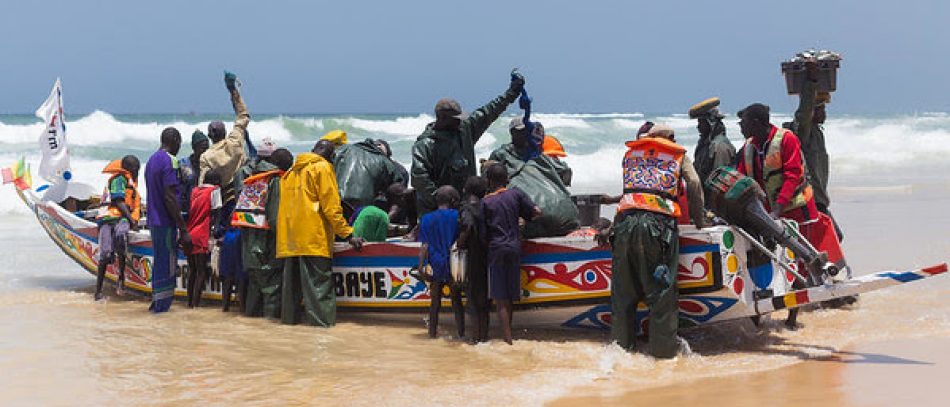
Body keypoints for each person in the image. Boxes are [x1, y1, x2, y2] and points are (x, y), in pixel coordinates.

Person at [736, 103, 850, 319]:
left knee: (801, 258)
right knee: (782, 261)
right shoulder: (748, 147)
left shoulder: (786, 139)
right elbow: (742, 177)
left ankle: (815, 304)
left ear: (757, 123)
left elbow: (792, 175)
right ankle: (794, 304)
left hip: (796, 209)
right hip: (769, 213)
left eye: (744, 123)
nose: (741, 126)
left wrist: (777, 209)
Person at [606, 123, 705, 359]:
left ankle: (621, 352)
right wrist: (700, 220)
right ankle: (663, 355)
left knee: (623, 293)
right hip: (657, 225)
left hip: (624, 223)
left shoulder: (631, 153)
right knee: (661, 294)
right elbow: (694, 184)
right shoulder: (677, 155)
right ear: (670, 137)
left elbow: (633, 189)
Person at [411, 71, 525, 215]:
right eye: (455, 118)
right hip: (440, 211)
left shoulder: (465, 130)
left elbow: (489, 111)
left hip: (468, 206)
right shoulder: (425, 145)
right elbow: (419, 178)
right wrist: (442, 202)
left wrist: (512, 93)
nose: (460, 120)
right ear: (443, 118)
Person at [276, 140, 365, 327]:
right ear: (331, 156)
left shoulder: (290, 172)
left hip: (290, 240)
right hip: (313, 239)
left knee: (291, 294)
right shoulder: (322, 168)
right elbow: (331, 207)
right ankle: (322, 334)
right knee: (319, 290)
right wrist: (348, 234)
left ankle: (288, 333)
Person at [481, 163, 542, 344]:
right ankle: (510, 335)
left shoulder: (486, 202)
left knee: (500, 299)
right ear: (506, 178)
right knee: (511, 295)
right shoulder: (516, 194)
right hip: (515, 247)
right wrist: (521, 221)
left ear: (489, 181)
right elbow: (537, 211)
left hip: (496, 249)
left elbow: (483, 232)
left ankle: (508, 340)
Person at [488, 117, 579, 237]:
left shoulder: (538, 155)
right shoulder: (503, 154)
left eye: (526, 131)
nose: (523, 134)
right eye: (520, 132)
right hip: (538, 218)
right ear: (512, 133)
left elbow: (565, 172)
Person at [233, 146, 293, 318]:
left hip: (249, 249)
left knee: (255, 289)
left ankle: (251, 328)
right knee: (271, 290)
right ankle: (268, 334)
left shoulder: (252, 178)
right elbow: (274, 219)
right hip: (266, 250)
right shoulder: (274, 181)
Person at [792, 59, 842, 240]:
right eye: (821, 110)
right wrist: (811, 80)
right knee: (832, 237)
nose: (824, 114)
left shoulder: (818, 134)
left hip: (820, 200)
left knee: (831, 238)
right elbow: (803, 113)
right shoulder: (804, 132)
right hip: (811, 201)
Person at [144, 127, 192, 313]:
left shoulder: (151, 160)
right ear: (175, 141)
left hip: (153, 221)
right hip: (165, 221)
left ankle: (156, 302)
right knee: (167, 264)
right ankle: (161, 309)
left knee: (159, 261)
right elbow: (170, 197)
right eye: (179, 142)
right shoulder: (170, 161)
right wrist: (184, 228)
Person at [417, 186, 465, 339]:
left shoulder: (425, 219)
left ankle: (432, 335)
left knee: (434, 303)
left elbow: (424, 246)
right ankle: (461, 335)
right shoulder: (457, 216)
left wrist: (420, 267)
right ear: (452, 200)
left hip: (435, 264)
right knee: (456, 302)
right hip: (453, 263)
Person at [198, 71, 251, 206]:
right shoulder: (235, 142)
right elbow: (243, 116)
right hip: (244, 195)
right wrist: (233, 91)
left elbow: (203, 186)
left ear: (209, 136)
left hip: (223, 200)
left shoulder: (206, 157)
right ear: (225, 132)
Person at [94, 155, 141, 300]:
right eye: (136, 169)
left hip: (121, 218)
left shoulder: (130, 182)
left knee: (121, 238)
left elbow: (130, 202)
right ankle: (98, 291)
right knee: (105, 254)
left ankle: (121, 279)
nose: (137, 172)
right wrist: (132, 220)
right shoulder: (118, 179)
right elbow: (119, 202)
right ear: (130, 169)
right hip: (108, 219)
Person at [334, 137, 407, 213]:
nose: (379, 145)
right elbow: (399, 186)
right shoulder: (384, 160)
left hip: (336, 200)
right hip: (361, 206)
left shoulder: (344, 149)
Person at [458, 175, 490, 343]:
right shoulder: (486, 206)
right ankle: (484, 337)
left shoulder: (466, 208)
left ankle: (475, 339)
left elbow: (468, 226)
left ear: (465, 190)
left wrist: (458, 244)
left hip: (472, 257)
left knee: (473, 301)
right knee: (484, 300)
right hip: (487, 255)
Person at [185, 171, 223, 308]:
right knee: (201, 271)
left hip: (189, 233)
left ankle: (189, 303)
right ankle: (195, 304)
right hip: (201, 233)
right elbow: (217, 212)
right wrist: (216, 231)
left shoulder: (194, 190)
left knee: (192, 270)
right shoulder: (215, 191)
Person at [689, 97, 736, 186]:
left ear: (710, 122)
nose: (698, 127)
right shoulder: (706, 144)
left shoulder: (719, 146)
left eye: (701, 122)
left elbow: (720, 182)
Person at [179, 129, 210, 220]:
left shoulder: (210, 165)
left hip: (204, 211)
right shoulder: (183, 164)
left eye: (207, 148)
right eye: (202, 148)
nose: (205, 151)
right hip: (186, 211)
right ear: (194, 147)